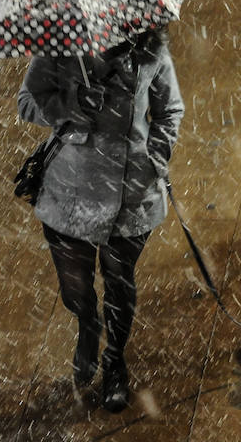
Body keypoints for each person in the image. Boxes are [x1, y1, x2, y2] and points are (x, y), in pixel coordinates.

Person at [17, 26, 184, 412]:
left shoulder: (151, 50)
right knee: (74, 287)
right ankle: (87, 326)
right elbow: (27, 101)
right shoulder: (58, 46)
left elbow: (169, 109)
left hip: (130, 192)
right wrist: (72, 103)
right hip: (68, 190)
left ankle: (114, 362)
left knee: (119, 286)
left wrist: (154, 158)